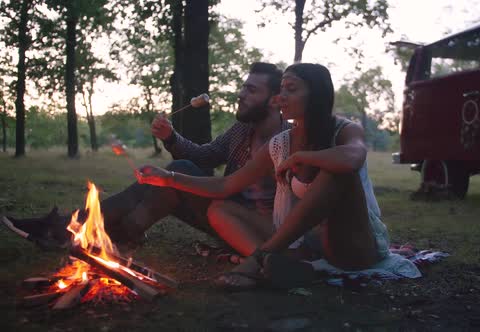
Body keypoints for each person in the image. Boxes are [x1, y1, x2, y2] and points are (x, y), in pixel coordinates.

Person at [135, 63, 391, 290]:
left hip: (350, 246)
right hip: (306, 246)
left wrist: (302, 158)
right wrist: (168, 178)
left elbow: (353, 158)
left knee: (335, 172)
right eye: (281, 90)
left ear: (316, 94)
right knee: (220, 209)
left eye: (291, 89)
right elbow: (225, 184)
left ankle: (256, 261)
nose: (281, 97)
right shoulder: (280, 143)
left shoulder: (345, 131)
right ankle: (280, 265)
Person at [3, 62, 290, 253]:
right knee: (155, 182)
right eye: (243, 87)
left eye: (251, 90)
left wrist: (173, 177)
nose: (241, 95)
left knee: (175, 172)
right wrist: (170, 136)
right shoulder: (242, 130)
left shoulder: (288, 141)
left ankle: (76, 230)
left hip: (248, 231)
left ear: (275, 99)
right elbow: (204, 158)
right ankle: (79, 230)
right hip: (222, 213)